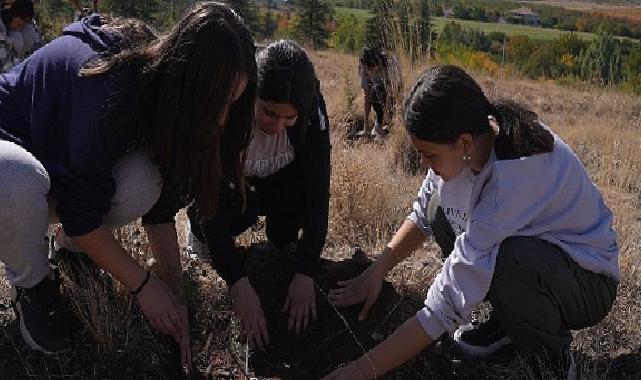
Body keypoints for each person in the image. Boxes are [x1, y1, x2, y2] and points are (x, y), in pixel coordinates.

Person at [0, 2, 256, 372]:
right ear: (188, 86)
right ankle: (34, 284)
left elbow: (160, 211)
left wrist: (173, 291)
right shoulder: (109, 85)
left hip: (55, 170)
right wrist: (142, 285)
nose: (221, 119)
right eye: (216, 103)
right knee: (16, 179)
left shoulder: (161, 86)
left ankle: (76, 254)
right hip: (9, 164)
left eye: (230, 104)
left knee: (143, 180)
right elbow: (80, 214)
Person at [323, 65, 618, 379]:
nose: (424, 164)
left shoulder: (512, 176)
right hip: (541, 260)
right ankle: (508, 325)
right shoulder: (469, 143)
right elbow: (424, 213)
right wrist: (377, 270)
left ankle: (553, 361)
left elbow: (445, 303)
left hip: (586, 280)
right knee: (440, 210)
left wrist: (361, 371)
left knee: (510, 259)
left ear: (463, 143)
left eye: (430, 155)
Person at [189, 39, 331, 350]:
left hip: (280, 179)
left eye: (289, 119)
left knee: (283, 236)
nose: (278, 125)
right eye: (268, 113)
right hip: (232, 181)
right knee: (215, 227)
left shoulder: (311, 113)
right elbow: (207, 197)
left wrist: (306, 270)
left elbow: (317, 194)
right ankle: (205, 244)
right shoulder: (230, 102)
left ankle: (277, 252)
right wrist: (238, 283)